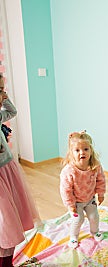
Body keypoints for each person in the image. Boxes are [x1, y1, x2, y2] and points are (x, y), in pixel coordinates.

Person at [0, 74, 41, 267]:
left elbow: (12, 111)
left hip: (8, 169)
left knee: (13, 220)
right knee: (6, 225)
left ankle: (7, 261)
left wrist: (4, 96)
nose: (2, 93)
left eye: (3, 89)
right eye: (0, 90)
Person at [60, 131, 106, 249]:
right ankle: (73, 236)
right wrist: (70, 205)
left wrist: (100, 194)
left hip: (90, 199)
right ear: (71, 153)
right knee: (78, 220)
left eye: (85, 149)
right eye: (77, 150)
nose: (82, 153)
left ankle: (95, 232)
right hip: (76, 203)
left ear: (91, 151)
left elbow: (101, 180)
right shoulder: (69, 171)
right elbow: (66, 190)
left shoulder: (95, 166)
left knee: (94, 217)